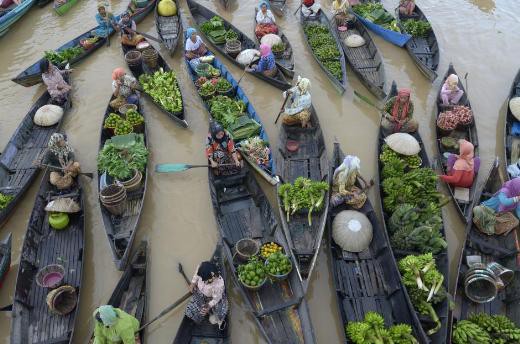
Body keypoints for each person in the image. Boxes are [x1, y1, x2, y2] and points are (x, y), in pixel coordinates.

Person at [187, 261, 228, 330]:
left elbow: (216, 299)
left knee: (220, 313)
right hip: (201, 293)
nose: (205, 283)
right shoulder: (201, 267)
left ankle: (214, 316)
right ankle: (205, 314)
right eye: (204, 280)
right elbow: (196, 275)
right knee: (192, 310)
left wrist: (208, 306)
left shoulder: (219, 285)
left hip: (215, 297)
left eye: (208, 281)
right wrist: (193, 283)